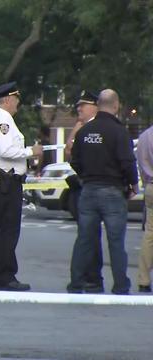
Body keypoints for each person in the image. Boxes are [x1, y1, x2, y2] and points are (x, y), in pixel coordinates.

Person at [68, 89, 138, 295]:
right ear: (115, 105)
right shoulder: (119, 132)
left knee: (85, 239)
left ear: (99, 105)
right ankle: (120, 285)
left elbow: (75, 161)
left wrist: (85, 177)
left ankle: (76, 283)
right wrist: (132, 183)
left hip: (88, 190)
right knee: (116, 241)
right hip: (113, 191)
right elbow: (127, 162)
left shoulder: (84, 132)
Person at [0, 81, 43, 291]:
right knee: (7, 231)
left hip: (1, 182)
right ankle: (6, 277)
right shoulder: (2, 120)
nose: (18, 103)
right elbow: (6, 150)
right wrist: (30, 152)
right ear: (8, 99)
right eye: (16, 99)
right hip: (5, 183)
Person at [66, 91, 104, 292]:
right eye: (78, 105)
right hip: (83, 187)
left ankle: (92, 277)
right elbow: (68, 150)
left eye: (84, 105)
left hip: (93, 187)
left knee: (89, 234)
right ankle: (90, 276)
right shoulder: (82, 126)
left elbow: (70, 152)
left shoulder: (96, 127)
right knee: (88, 233)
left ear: (96, 106)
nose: (79, 108)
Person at [137, 122, 153, 293]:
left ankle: (144, 279)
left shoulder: (145, 136)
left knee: (150, 234)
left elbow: (141, 164)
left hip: (151, 186)